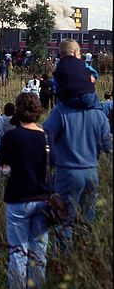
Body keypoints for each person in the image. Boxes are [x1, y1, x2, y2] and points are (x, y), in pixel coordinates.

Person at [0, 92, 52, 289]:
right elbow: (51, 166)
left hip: (18, 198)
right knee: (38, 253)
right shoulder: (46, 136)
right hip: (42, 199)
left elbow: (3, 170)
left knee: (18, 253)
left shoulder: (12, 136)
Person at [43, 85, 112, 243]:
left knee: (64, 218)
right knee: (87, 218)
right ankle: (83, 251)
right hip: (91, 171)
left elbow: (46, 134)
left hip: (67, 171)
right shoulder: (98, 113)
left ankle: (63, 258)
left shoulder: (61, 111)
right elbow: (107, 146)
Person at [52, 39, 100, 109]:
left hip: (67, 99)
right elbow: (94, 73)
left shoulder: (59, 66)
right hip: (87, 98)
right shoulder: (83, 63)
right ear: (75, 53)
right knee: (96, 103)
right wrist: (91, 79)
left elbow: (55, 82)